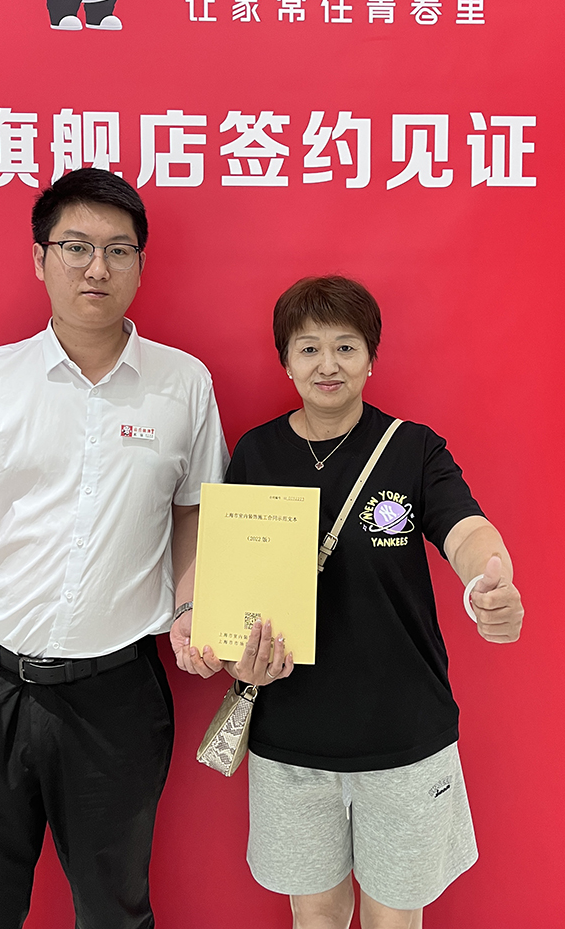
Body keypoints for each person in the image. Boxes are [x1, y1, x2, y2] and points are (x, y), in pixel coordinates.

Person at [0, 168, 228, 929]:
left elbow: (196, 511)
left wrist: (192, 606)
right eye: (76, 246)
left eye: (118, 250)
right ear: (39, 257)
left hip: (116, 695)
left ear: (140, 265)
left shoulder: (183, 383)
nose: (97, 267)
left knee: (115, 910)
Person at [178, 275, 523, 929]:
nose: (327, 364)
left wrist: (488, 579)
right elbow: (231, 575)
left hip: (403, 735)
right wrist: (221, 646)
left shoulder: (413, 449)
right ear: (286, 362)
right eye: (308, 349)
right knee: (315, 913)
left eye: (345, 347)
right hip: (290, 738)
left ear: (371, 359)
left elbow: (465, 529)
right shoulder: (256, 452)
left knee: (395, 918)